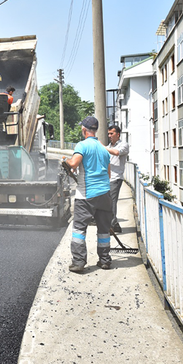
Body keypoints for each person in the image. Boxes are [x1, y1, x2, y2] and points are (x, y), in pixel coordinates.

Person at [65, 116, 113, 272]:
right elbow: (109, 174)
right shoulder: (104, 149)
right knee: (104, 230)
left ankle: (78, 262)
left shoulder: (82, 145)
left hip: (87, 195)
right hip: (105, 193)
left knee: (79, 229)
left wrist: (65, 160)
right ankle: (105, 260)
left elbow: (73, 163)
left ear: (84, 129)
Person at [106, 125, 130, 233]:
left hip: (116, 179)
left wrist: (103, 148)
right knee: (106, 202)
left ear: (118, 134)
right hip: (107, 179)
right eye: (108, 134)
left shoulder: (123, 145)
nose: (109, 136)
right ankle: (115, 225)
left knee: (111, 202)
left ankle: (110, 227)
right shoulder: (108, 146)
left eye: (111, 133)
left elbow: (116, 152)